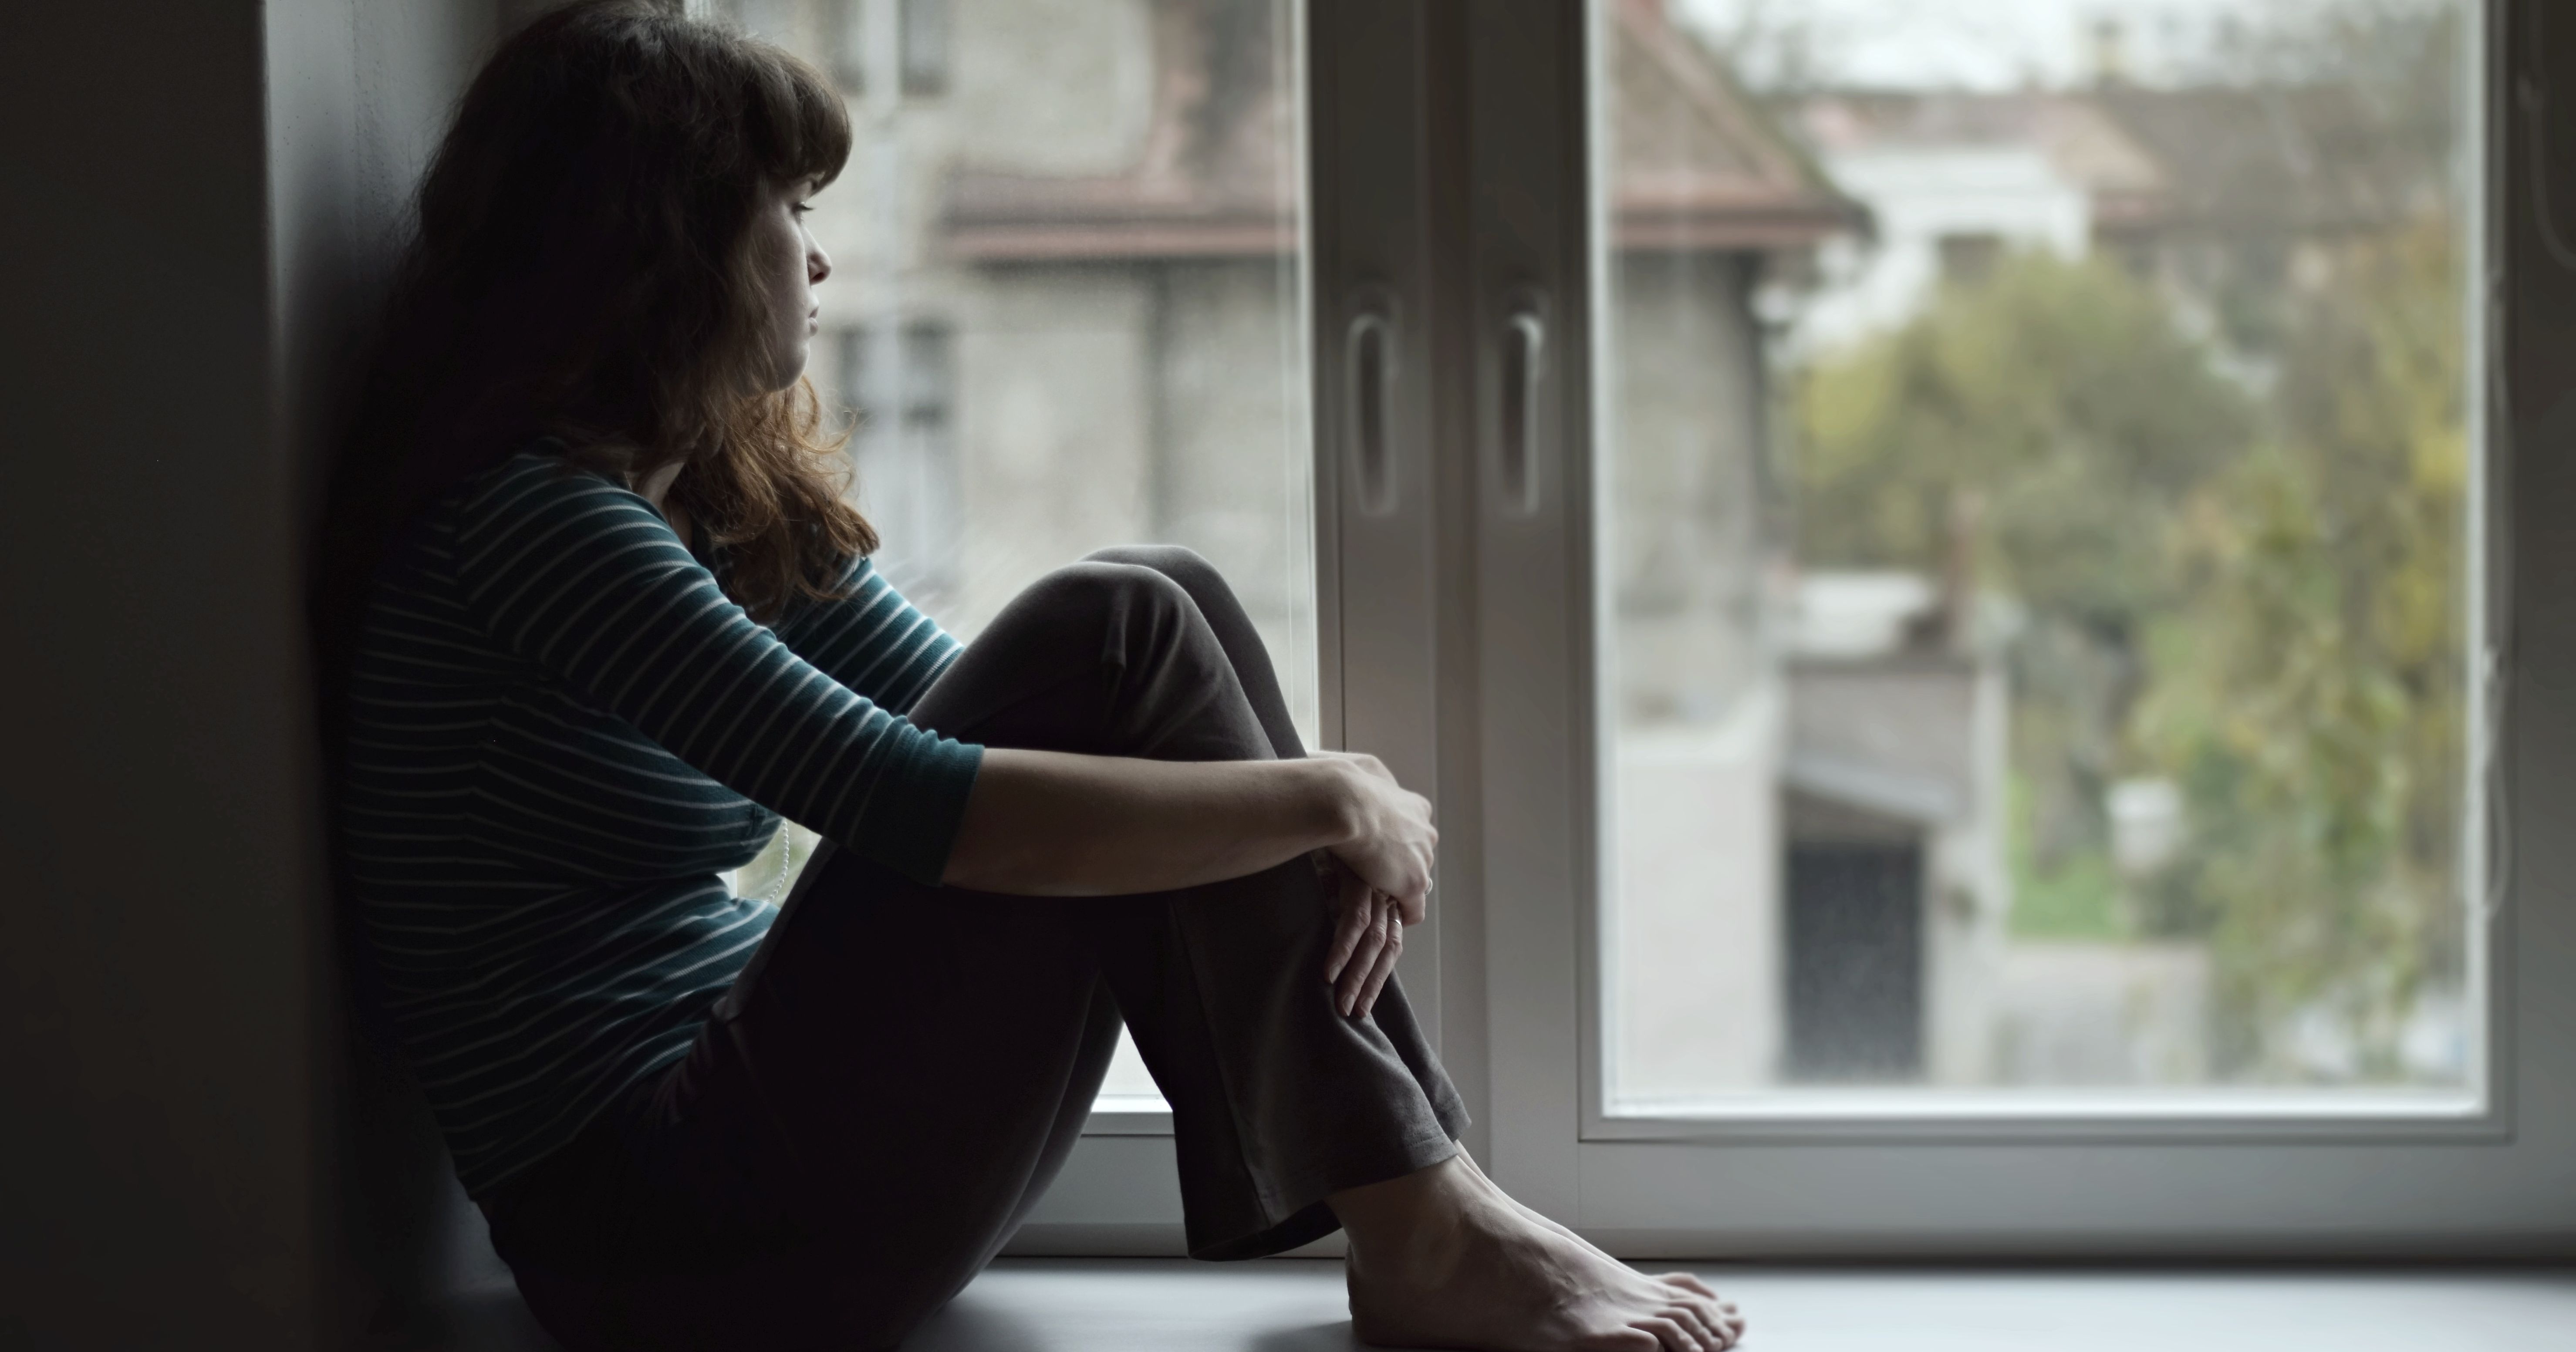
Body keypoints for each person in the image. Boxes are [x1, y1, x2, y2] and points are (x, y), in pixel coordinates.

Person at [324, 4, 1745, 1349]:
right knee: (1120, 622)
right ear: (673, 247)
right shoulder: (531, 530)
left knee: (1158, 604)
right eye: (792, 213)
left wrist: (1309, 795)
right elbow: (921, 798)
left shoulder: (694, 503)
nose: (817, 264)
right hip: (666, 1245)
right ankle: (1424, 1221)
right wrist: (1323, 798)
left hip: (752, 1178)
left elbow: (993, 714)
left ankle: (1425, 1208)